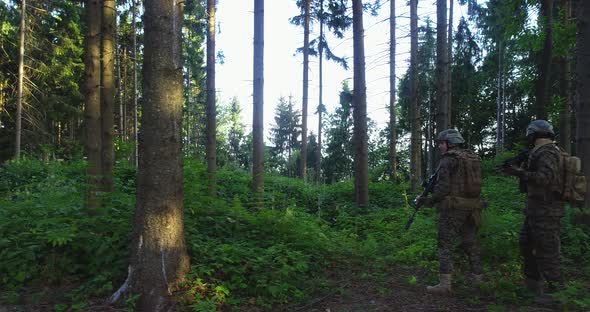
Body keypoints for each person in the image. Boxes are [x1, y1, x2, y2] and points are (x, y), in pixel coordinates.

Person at [502, 120, 565, 302]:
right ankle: (533, 287)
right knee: (526, 244)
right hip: (536, 210)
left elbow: (545, 179)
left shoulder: (548, 152)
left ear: (534, 135)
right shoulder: (538, 152)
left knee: (547, 250)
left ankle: (557, 294)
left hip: (547, 210)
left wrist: (519, 173)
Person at [417, 129, 483, 294]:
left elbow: (443, 188)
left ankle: (445, 284)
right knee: (470, 243)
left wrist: (429, 201)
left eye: (441, 143)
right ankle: (478, 280)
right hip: (472, 208)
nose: (439, 146)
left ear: (450, 143)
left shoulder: (448, 160)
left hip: (453, 208)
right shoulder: (472, 157)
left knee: (444, 243)